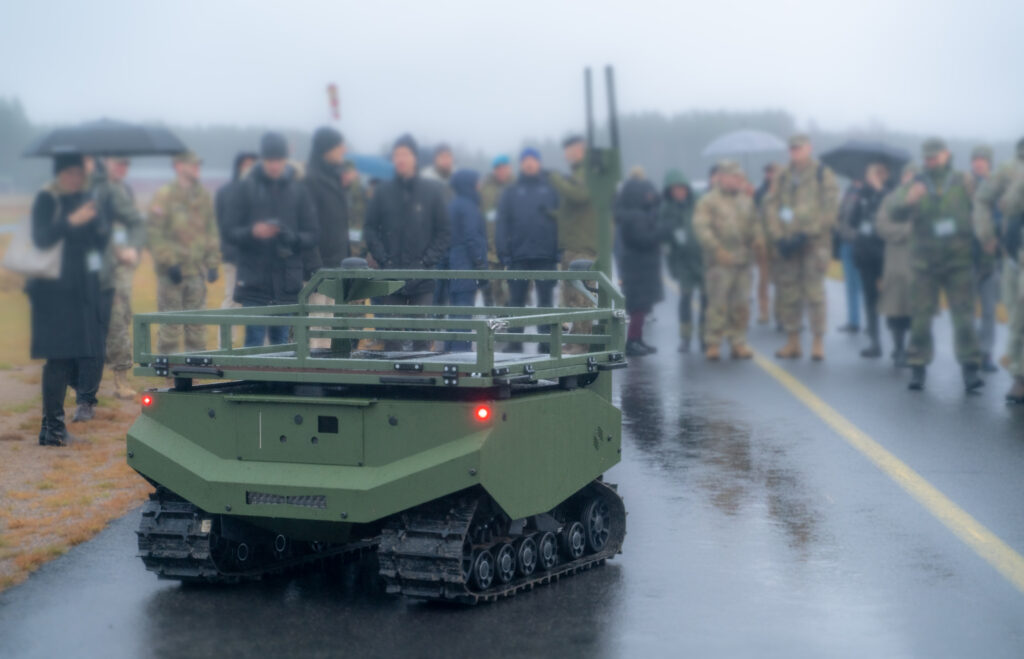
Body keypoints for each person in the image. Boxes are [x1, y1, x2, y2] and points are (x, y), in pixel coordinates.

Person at [27, 154, 108, 446]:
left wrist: (97, 223)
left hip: (77, 290)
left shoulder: (82, 200)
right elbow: (41, 239)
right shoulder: (47, 200)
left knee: (65, 357)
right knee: (58, 357)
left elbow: (94, 245)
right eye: (71, 173)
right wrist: (71, 221)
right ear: (60, 173)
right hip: (51, 292)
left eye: (79, 174)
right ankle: (54, 429)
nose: (76, 178)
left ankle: (51, 428)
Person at [891, 138, 982, 392]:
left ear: (946, 155)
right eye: (927, 157)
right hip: (924, 263)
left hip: (958, 261)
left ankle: (970, 368)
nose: (930, 161)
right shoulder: (916, 182)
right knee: (920, 318)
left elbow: (981, 212)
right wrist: (908, 200)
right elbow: (893, 211)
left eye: (934, 156)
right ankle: (917, 367)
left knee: (964, 317)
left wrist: (985, 256)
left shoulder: (964, 181)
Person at [224, 132, 318, 347]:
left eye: (278, 159)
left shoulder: (299, 192)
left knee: (281, 345)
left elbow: (313, 234)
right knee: (253, 343)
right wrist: (252, 233)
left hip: (286, 281)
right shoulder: (245, 189)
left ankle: (278, 372)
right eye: (270, 160)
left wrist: (292, 238)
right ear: (263, 160)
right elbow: (229, 231)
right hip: (254, 280)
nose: (274, 165)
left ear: (285, 160)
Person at [364, 134, 450, 351]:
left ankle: (423, 372)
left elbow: (444, 232)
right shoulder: (383, 192)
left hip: (423, 277)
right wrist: (384, 259)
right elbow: (370, 228)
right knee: (392, 339)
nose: (400, 159)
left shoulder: (432, 191)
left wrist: (426, 262)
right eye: (396, 155)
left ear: (415, 158)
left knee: (421, 337)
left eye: (405, 154)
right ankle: (393, 373)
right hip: (391, 276)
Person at [764, 134, 840, 361]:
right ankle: (793, 341)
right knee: (789, 293)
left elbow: (831, 210)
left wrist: (808, 232)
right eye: (792, 149)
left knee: (814, 294)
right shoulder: (782, 176)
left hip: (814, 244)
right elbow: (771, 206)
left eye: (799, 148)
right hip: (788, 244)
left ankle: (817, 341)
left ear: (809, 148)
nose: (795, 152)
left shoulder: (822, 173)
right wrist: (779, 237)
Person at [84, 155, 145, 411]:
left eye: (125, 164)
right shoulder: (84, 189)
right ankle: (82, 381)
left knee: (119, 317)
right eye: (117, 162)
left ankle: (120, 378)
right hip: (88, 265)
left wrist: (131, 249)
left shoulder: (122, 190)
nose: (122, 168)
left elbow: (135, 225)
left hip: (117, 268)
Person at [147, 151, 220, 355]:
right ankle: (168, 369)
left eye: (198, 164)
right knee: (171, 327)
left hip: (196, 272)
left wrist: (212, 262)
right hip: (171, 274)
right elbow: (154, 233)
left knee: (197, 326)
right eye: (192, 164)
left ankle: (195, 368)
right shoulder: (165, 195)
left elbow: (211, 230)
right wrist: (169, 262)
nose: (197, 168)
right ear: (179, 166)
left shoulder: (203, 196)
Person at [693, 160, 761, 361]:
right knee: (717, 304)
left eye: (739, 176)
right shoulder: (708, 201)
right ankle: (713, 343)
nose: (738, 180)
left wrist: (758, 238)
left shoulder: (746, 201)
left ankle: (738, 342)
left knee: (741, 304)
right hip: (719, 261)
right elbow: (701, 228)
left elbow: (754, 223)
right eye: (733, 176)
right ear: (722, 177)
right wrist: (716, 248)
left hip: (743, 261)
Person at [496, 148, 560, 352]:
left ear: (539, 163)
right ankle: (515, 342)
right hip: (518, 256)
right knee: (516, 302)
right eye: (526, 160)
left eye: (533, 160)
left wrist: (558, 251)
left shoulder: (551, 190)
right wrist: (504, 253)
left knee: (545, 303)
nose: (530, 163)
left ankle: (546, 343)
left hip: (546, 256)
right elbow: (502, 223)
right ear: (521, 163)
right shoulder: (511, 192)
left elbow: (561, 221)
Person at [973, 137, 1024, 378]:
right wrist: (987, 235)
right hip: (1012, 254)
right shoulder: (1008, 170)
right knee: (1014, 314)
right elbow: (982, 200)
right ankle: (1017, 373)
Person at [547, 135, 596, 350]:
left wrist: (556, 180)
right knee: (570, 296)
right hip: (573, 245)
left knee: (581, 296)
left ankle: (581, 343)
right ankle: (575, 339)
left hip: (584, 246)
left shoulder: (589, 172)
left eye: (571, 150)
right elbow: (573, 211)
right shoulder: (577, 173)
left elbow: (580, 195)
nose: (567, 155)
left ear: (581, 149)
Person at [842, 161, 893, 358]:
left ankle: (898, 344)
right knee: (870, 298)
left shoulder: (889, 195)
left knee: (890, 298)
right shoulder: (862, 194)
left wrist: (879, 193)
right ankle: (875, 342)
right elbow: (853, 221)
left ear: (883, 176)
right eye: (868, 174)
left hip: (884, 253)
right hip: (865, 253)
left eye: (874, 175)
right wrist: (859, 202)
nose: (870, 178)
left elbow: (893, 217)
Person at [615, 177, 666, 357]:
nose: (649, 197)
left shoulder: (632, 213)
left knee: (641, 306)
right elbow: (643, 239)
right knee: (638, 306)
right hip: (638, 268)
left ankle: (637, 339)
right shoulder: (634, 216)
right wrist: (661, 232)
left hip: (640, 266)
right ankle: (633, 340)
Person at [875, 164, 917, 367]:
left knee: (918, 311)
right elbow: (882, 226)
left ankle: (914, 349)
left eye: (915, 176)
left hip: (920, 265)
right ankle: (898, 348)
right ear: (902, 178)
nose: (911, 180)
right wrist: (908, 230)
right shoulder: (890, 200)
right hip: (896, 262)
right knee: (896, 309)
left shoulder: (928, 201)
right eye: (908, 175)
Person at [661, 169, 704, 353]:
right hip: (682, 261)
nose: (679, 192)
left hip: (702, 258)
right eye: (674, 189)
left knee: (706, 299)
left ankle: (705, 336)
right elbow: (665, 240)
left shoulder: (698, 204)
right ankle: (685, 337)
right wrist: (672, 266)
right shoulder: (667, 209)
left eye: (681, 188)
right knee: (685, 298)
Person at [446, 169, 488, 351]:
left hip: (451, 264)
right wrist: (480, 265)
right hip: (465, 265)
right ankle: (460, 353)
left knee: (454, 313)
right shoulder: (469, 207)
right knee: (463, 313)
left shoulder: (453, 205)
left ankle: (450, 351)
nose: (480, 185)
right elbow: (472, 237)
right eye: (477, 181)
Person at [968, 145, 999, 373]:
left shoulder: (998, 188)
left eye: (983, 159)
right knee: (967, 311)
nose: (979, 163)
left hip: (991, 258)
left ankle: (986, 353)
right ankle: (970, 353)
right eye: (976, 159)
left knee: (989, 311)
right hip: (967, 257)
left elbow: (1004, 216)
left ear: (989, 163)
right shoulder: (963, 187)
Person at [215, 152, 257, 310]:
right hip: (234, 256)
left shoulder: (264, 191)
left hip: (258, 258)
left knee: (257, 301)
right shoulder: (226, 192)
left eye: (253, 165)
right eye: (246, 165)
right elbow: (221, 224)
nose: (249, 169)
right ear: (238, 167)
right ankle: (226, 327)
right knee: (233, 298)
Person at [305, 126, 349, 271]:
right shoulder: (311, 181)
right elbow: (307, 228)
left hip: (339, 267)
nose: (344, 150)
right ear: (326, 149)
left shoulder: (335, 179)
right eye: (339, 146)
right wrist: (316, 270)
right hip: (321, 272)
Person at [479, 154, 513, 307]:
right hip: (490, 250)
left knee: (513, 292)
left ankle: (511, 317)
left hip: (512, 250)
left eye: (504, 168)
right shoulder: (485, 188)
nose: (501, 171)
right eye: (498, 168)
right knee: (493, 290)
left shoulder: (516, 186)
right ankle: (495, 316)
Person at [753, 163, 779, 325]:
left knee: (783, 280)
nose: (770, 175)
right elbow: (754, 215)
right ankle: (764, 311)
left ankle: (781, 313)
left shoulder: (784, 192)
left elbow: (788, 215)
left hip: (780, 242)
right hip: (763, 242)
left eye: (772, 172)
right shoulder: (759, 192)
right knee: (763, 280)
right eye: (768, 172)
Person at [836, 182, 863, 334]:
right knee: (850, 285)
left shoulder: (865, 192)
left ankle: (869, 323)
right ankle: (853, 321)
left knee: (861, 285)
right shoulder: (848, 191)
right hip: (845, 241)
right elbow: (841, 215)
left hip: (859, 244)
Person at [342, 161, 368, 257]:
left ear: (355, 173)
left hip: (359, 241)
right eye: (344, 173)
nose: (346, 176)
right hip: (344, 241)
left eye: (348, 172)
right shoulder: (340, 190)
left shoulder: (362, 191)